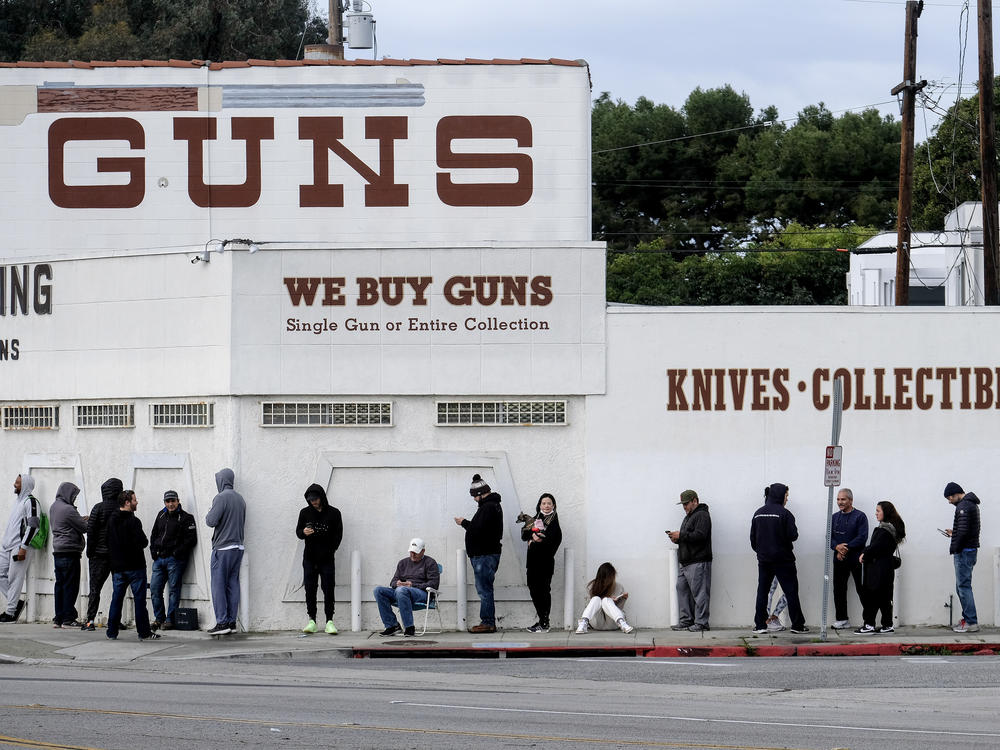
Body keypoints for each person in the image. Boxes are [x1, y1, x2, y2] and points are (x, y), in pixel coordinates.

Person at [750, 483, 808, 634]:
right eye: (786, 495)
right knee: (791, 591)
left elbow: (753, 540)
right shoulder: (785, 514)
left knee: (762, 591)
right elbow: (793, 535)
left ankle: (760, 625)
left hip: (764, 561)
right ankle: (797, 625)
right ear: (780, 495)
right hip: (784, 560)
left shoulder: (758, 513)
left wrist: (762, 552)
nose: (787, 499)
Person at [106, 489, 159, 641]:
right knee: (139, 601)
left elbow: (107, 541)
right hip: (135, 566)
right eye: (135, 500)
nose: (137, 502)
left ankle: (112, 631)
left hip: (118, 567)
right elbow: (143, 542)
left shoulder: (112, 519)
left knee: (116, 599)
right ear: (127, 502)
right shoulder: (133, 521)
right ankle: (144, 632)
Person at [454, 473, 502, 633]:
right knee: (485, 588)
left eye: (475, 496)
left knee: (484, 589)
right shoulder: (491, 506)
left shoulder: (488, 507)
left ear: (480, 494)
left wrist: (464, 523)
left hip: (484, 555)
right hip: (485, 554)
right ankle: (487, 621)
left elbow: (479, 529)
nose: (474, 499)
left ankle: (488, 622)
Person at [295, 483, 343, 635]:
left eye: (315, 499)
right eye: (310, 500)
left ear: (321, 497)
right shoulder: (305, 512)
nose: (313, 502)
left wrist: (331, 549)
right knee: (310, 587)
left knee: (328, 588)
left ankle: (329, 620)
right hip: (310, 557)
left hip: (327, 557)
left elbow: (338, 534)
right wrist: (304, 532)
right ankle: (312, 620)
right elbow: (298, 532)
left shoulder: (334, 513)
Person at [205, 468, 246, 636]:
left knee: (218, 586)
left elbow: (211, 521)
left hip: (222, 548)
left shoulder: (221, 498)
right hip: (238, 547)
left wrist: (210, 511)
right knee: (232, 584)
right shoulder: (240, 499)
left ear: (221, 480)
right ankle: (231, 622)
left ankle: (222, 623)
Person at [149, 490, 198, 631]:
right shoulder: (161, 515)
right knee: (154, 589)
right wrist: (154, 552)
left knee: (173, 590)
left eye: (173, 501)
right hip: (159, 559)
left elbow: (191, 540)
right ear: (164, 502)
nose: (170, 504)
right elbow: (154, 535)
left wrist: (176, 553)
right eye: (167, 501)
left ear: (178, 501)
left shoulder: (186, 518)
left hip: (175, 560)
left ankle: (170, 620)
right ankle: (159, 619)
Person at [855, 501, 906, 635]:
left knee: (871, 596)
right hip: (886, 568)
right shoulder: (891, 529)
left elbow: (875, 547)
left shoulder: (883, 530)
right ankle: (887, 625)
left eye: (878, 511)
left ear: (886, 512)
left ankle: (869, 625)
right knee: (884, 597)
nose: (876, 513)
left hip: (877, 569)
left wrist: (864, 553)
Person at [373, 538, 440, 637]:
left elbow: (434, 584)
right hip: (402, 592)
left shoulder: (430, 562)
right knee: (378, 590)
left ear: (423, 551)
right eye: (411, 552)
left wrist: (412, 585)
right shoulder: (403, 563)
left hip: (422, 593)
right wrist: (398, 583)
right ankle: (393, 625)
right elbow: (392, 582)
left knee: (401, 590)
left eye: (415, 553)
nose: (412, 555)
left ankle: (409, 627)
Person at [667, 489, 712, 632]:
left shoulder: (702, 515)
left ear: (695, 501)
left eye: (686, 503)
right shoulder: (689, 516)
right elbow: (689, 537)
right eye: (683, 504)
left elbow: (700, 536)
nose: (684, 507)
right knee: (681, 589)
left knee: (700, 593)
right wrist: (677, 539)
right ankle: (686, 620)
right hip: (687, 561)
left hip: (698, 560)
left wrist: (681, 536)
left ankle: (702, 622)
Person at [82, 477, 123, 631]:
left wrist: (90, 552)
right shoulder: (121, 509)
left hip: (98, 555)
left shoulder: (98, 508)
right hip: (117, 556)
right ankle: (116, 621)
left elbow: (91, 531)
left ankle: (90, 621)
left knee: (95, 589)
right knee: (118, 589)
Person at [0, 474, 41, 623]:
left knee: (14, 579)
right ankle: (16, 604)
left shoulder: (31, 502)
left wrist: (23, 547)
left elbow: (34, 525)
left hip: (20, 546)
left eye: (17, 483)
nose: (14, 485)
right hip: (6, 546)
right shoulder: (18, 501)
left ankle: (10, 613)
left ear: (25, 485)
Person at [943, 482, 981, 633]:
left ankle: (971, 622)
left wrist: (955, 547)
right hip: (969, 550)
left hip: (964, 551)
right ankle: (968, 619)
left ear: (956, 494)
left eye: (949, 498)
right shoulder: (971, 504)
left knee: (964, 587)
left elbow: (964, 533)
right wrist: (954, 533)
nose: (949, 501)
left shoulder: (963, 506)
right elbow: (966, 530)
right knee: (962, 587)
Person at [50, 481, 88, 628]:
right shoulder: (68, 509)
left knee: (60, 585)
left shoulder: (54, 506)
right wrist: (88, 519)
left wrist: (79, 518)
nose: (74, 498)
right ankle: (68, 618)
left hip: (58, 551)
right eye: (73, 495)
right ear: (68, 493)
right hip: (69, 551)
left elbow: (67, 523)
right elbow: (84, 527)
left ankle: (58, 618)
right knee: (70, 585)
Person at [522, 492, 562, 633]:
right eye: (543, 503)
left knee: (544, 591)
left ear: (553, 506)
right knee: (533, 589)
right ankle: (542, 620)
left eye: (549, 503)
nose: (546, 506)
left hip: (544, 564)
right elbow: (524, 534)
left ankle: (544, 622)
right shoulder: (535, 519)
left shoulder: (554, 524)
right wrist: (532, 536)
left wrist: (536, 542)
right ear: (539, 505)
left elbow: (550, 543)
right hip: (532, 563)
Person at [830, 488, 868, 629]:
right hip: (839, 559)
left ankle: (869, 620)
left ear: (850, 500)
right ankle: (842, 620)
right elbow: (829, 537)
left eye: (843, 499)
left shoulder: (860, 516)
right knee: (839, 590)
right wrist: (836, 547)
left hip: (857, 560)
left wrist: (844, 548)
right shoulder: (834, 517)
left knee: (862, 589)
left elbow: (862, 537)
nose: (840, 502)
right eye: (838, 499)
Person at [575, 562, 634, 634]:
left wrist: (623, 599)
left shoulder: (618, 587)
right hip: (597, 623)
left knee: (606, 600)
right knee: (596, 599)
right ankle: (583, 623)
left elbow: (619, 609)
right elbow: (589, 608)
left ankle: (622, 623)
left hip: (613, 623)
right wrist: (603, 599)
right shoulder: (592, 586)